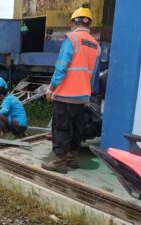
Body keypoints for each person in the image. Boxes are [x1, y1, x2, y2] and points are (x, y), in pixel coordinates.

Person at [42, 4, 101, 174]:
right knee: (76, 127)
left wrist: (51, 88)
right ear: (88, 24)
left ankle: (60, 162)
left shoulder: (72, 39)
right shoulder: (95, 46)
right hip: (82, 96)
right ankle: (72, 159)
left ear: (72, 23)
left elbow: (61, 66)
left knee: (61, 127)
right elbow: (92, 73)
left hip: (65, 94)